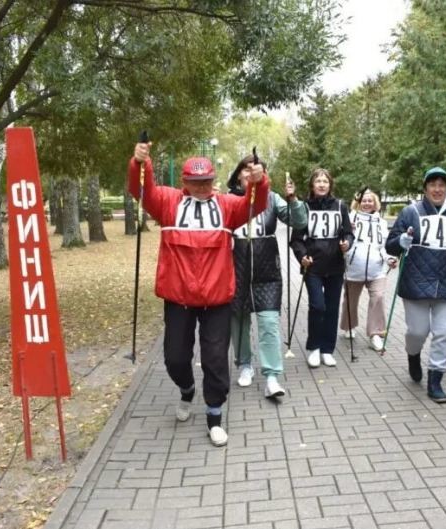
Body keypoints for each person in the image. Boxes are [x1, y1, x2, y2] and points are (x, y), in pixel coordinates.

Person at [128, 143, 270, 446]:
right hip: (178, 297)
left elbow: (255, 204)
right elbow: (141, 190)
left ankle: (214, 414)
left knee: (216, 358)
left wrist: (259, 180)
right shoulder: (168, 203)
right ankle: (187, 388)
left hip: (217, 298)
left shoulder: (228, 205)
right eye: (195, 183)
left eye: (206, 182)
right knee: (175, 357)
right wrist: (141, 163)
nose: (202, 188)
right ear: (185, 182)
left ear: (213, 180)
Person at [386, 167, 446, 403]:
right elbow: (390, 246)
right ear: (425, 188)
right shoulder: (410, 212)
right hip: (416, 283)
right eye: (433, 185)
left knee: (445, 332)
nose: (437, 189)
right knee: (417, 331)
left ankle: (435, 379)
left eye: (442, 185)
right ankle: (413, 354)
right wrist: (401, 241)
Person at [228, 155, 307, 398]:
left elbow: (300, 221)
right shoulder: (229, 200)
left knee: (269, 322)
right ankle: (244, 364)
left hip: (267, 270)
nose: (251, 173)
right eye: (246, 169)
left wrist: (293, 199)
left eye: (256, 169)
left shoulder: (271, 198)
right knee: (239, 320)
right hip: (237, 267)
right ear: (238, 174)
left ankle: (272, 376)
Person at [290, 168, 354, 368]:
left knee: (332, 308)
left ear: (330, 185)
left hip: (335, 264)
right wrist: (302, 257)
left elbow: (348, 232)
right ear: (312, 185)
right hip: (313, 265)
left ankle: (328, 349)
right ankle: (314, 347)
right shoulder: (305, 207)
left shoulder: (340, 206)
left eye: (325, 181)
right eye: (318, 181)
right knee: (318, 306)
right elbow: (296, 240)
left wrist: (347, 243)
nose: (321, 184)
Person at [339, 187, 397, 351]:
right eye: (363, 200)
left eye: (370, 200)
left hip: (376, 269)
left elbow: (383, 247)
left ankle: (376, 334)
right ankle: (349, 326)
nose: (366, 203)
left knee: (378, 297)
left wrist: (390, 259)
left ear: (375, 203)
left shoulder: (382, 223)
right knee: (350, 300)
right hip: (353, 268)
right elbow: (342, 239)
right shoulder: (350, 218)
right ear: (358, 202)